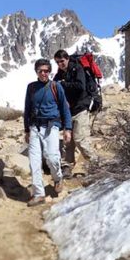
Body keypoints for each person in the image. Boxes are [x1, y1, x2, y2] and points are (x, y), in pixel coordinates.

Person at [23, 58, 72, 207]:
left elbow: (65, 109)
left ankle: (57, 178)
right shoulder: (31, 87)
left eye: (46, 70)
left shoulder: (56, 87)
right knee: (34, 162)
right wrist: (26, 130)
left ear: (50, 71)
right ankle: (38, 194)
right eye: (40, 71)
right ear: (36, 71)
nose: (44, 73)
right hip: (34, 128)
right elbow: (27, 109)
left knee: (52, 157)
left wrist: (67, 129)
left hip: (52, 127)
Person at [53, 49, 93, 178]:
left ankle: (96, 163)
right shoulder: (59, 74)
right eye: (57, 62)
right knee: (67, 140)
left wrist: (64, 84)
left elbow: (80, 86)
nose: (60, 64)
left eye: (62, 61)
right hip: (67, 112)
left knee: (80, 139)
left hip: (81, 108)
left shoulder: (77, 69)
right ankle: (67, 166)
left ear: (67, 59)